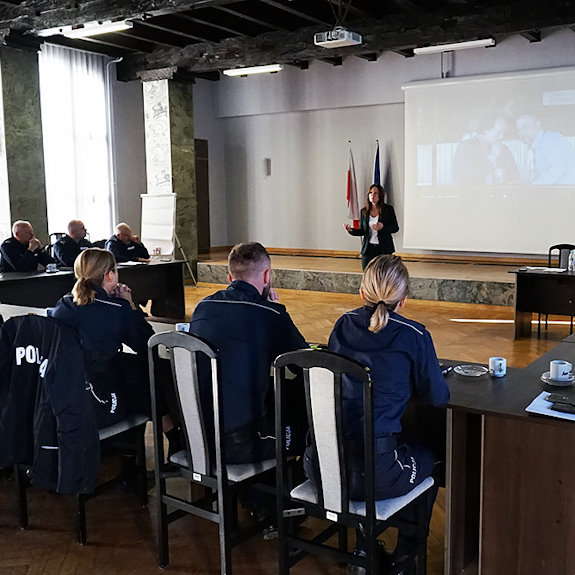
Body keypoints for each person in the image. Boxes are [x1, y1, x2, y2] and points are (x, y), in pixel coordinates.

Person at [304, 254, 450, 572]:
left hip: (322, 467)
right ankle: (404, 559)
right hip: (376, 475)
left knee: (372, 452)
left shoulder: (343, 325)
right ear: (405, 299)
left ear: (361, 293)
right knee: (436, 459)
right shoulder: (415, 335)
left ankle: (363, 550)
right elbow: (438, 397)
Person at [189, 241, 308, 464]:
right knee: (311, 428)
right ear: (266, 276)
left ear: (229, 277)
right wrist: (274, 311)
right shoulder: (270, 315)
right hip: (241, 443)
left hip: (197, 434)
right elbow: (303, 364)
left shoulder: (202, 307)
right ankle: (280, 495)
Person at [49, 248, 154, 427]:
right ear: (109, 275)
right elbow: (148, 343)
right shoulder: (117, 310)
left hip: (62, 398)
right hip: (96, 402)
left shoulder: (64, 304)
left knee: (127, 366)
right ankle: (171, 436)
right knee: (144, 374)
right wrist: (129, 304)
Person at [343, 184, 399, 270]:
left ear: (380, 195)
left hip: (384, 249)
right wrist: (351, 230)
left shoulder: (388, 210)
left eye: (376, 193)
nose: (373, 195)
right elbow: (362, 231)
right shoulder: (364, 211)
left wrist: (383, 227)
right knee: (367, 275)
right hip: (368, 250)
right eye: (370, 193)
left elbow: (395, 228)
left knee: (383, 276)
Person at [452, 116, 520, 186]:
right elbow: (469, 179)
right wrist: (493, 160)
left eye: (503, 133)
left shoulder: (505, 149)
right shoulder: (466, 147)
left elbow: (515, 177)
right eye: (499, 132)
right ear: (485, 129)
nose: (501, 137)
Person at [516, 114, 575, 185]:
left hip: (565, 192)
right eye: (519, 131)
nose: (522, 134)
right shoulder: (533, 148)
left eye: (525, 128)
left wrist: (533, 187)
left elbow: (557, 170)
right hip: (550, 191)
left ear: (538, 125)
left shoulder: (554, 139)